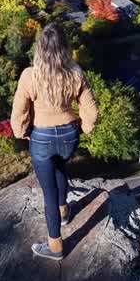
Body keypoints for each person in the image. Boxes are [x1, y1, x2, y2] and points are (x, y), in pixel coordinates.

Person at [10, 23, 98, 261]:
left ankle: (56, 246)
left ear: (40, 48)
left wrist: (21, 132)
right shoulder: (75, 72)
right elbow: (91, 110)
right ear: (64, 48)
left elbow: (19, 113)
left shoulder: (29, 75)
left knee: (48, 192)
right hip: (69, 135)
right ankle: (64, 211)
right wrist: (86, 128)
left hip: (42, 138)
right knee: (60, 168)